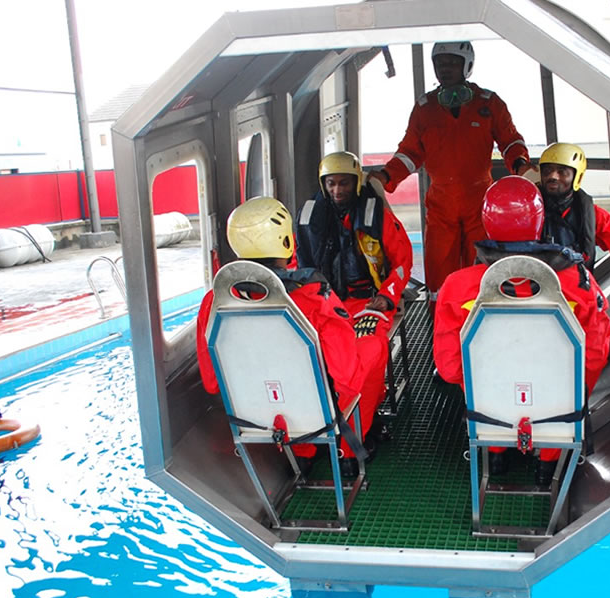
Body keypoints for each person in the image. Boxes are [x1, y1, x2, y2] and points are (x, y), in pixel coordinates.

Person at [433, 176, 610, 484]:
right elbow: (595, 355)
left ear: (486, 223)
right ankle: (547, 464)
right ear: (540, 221)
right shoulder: (578, 284)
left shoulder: (456, 288)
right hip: (558, 415)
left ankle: (496, 455)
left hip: (488, 416)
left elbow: (449, 369)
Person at [196, 196, 387, 478]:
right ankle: (348, 452)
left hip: (253, 418)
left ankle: (301, 454)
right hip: (317, 415)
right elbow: (347, 379)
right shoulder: (312, 298)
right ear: (286, 240)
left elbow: (213, 382)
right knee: (374, 345)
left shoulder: (212, 304)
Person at [368, 41, 533, 301]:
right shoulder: (425, 109)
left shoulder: (489, 104)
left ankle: (482, 318)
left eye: (453, 63)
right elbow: (409, 153)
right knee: (439, 271)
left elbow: (510, 141)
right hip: (440, 206)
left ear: (467, 65)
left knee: (482, 268)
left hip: (480, 205)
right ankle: (439, 319)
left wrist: (522, 166)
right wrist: (386, 177)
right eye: (440, 63)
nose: (445, 68)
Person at [296, 150, 413, 343]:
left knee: (367, 345)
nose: (337, 190)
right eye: (331, 183)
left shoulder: (377, 216)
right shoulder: (307, 218)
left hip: (367, 302)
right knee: (313, 343)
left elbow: (402, 262)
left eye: (344, 183)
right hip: (322, 302)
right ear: (323, 184)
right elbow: (296, 261)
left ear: (356, 182)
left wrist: (386, 296)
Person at [538, 142, 610, 272]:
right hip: (533, 281)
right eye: (547, 171)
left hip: (575, 282)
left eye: (562, 172)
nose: (553, 176)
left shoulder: (592, 215)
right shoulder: (527, 210)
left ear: (576, 177)